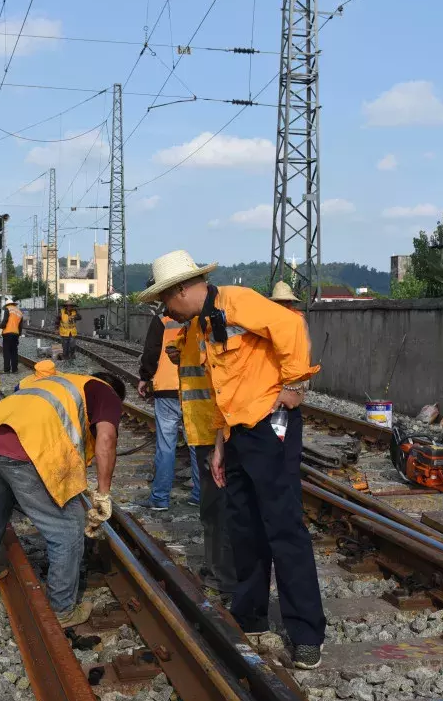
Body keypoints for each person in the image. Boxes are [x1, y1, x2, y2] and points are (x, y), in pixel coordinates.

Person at [138, 249, 325, 670]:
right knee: (244, 525)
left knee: (283, 527)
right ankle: (251, 613)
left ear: (183, 289)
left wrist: (296, 384)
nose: (165, 310)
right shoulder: (202, 324)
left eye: (165, 300)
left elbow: (291, 325)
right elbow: (226, 385)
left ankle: (307, 631)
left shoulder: (236, 301)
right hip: (237, 432)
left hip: (269, 426)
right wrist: (221, 442)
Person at [0, 359, 127, 627]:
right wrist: (102, 494)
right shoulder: (107, 393)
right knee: (68, 529)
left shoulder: (58, 385)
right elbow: (106, 439)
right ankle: (63, 610)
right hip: (23, 446)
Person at [166, 318, 237, 601]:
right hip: (204, 429)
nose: (167, 309)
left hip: (218, 431)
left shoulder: (214, 324)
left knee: (220, 509)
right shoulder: (190, 328)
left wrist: (220, 438)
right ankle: (216, 572)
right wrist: (176, 351)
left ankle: (225, 578)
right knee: (211, 510)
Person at [137, 308, 201, 509]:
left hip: (167, 388)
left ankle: (160, 498)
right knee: (197, 445)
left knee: (166, 445)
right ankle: (200, 495)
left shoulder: (162, 319)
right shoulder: (201, 316)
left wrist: (145, 377)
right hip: (195, 387)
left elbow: (151, 352)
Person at [0, 298, 24, 374]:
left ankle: (6, 370)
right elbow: (20, 326)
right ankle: (15, 369)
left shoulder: (8, 309)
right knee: (14, 352)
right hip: (15, 334)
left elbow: (5, 320)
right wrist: (18, 335)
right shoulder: (19, 312)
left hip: (7, 333)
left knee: (6, 352)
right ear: (13, 304)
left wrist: (1, 329)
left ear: (7, 304)